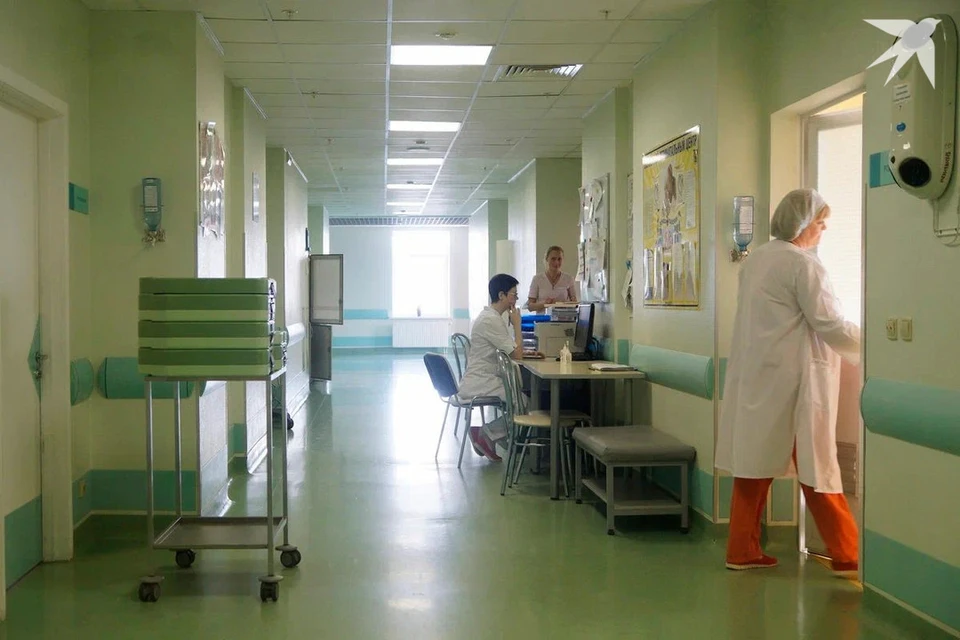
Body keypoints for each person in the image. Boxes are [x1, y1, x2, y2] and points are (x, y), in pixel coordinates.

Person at [716, 188, 861, 578]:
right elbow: (829, 322)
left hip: (759, 377)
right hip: (793, 381)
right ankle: (847, 554)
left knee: (754, 466)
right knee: (817, 466)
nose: (824, 230)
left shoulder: (757, 259)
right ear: (802, 223)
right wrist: (873, 344)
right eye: (820, 223)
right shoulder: (803, 265)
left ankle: (741, 548)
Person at [457, 273, 527, 461]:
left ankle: (495, 436)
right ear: (501, 295)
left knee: (521, 397)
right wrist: (518, 325)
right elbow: (517, 355)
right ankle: (486, 433)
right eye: (514, 295)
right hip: (482, 382)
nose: (516, 299)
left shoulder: (491, 317)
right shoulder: (491, 320)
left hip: (486, 378)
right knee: (524, 402)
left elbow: (512, 350)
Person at [526, 246, 578, 312]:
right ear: (547, 259)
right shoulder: (537, 279)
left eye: (559, 259)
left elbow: (574, 303)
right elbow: (530, 307)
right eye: (553, 259)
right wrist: (545, 303)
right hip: (543, 318)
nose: (556, 262)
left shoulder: (569, 279)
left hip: (564, 317)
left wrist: (562, 304)